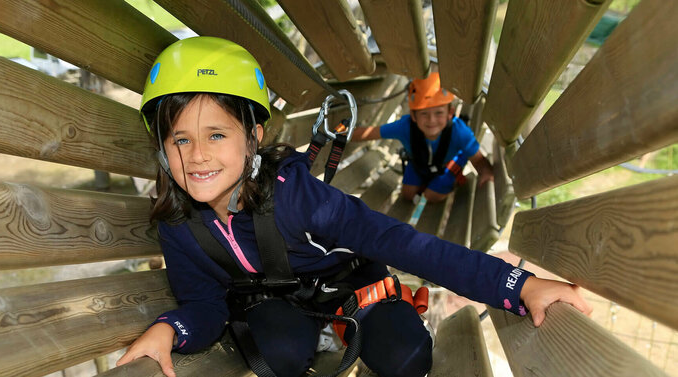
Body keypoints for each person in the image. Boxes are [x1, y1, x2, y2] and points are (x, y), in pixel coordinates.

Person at [115, 36, 592, 377]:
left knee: (406, 357)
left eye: (216, 135)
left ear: (253, 137)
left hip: (347, 286)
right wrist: (171, 329)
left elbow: (405, 244)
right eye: (180, 139)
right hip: (276, 302)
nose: (196, 155)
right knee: (279, 354)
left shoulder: (298, 197)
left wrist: (518, 286)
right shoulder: (179, 225)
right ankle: (318, 337)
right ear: (161, 147)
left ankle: (362, 322)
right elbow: (202, 302)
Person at [351, 73, 494, 203]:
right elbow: (369, 133)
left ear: (450, 113)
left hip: (448, 164)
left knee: (431, 196)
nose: (431, 120)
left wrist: (486, 173)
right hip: (419, 162)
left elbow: (479, 160)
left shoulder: (459, 131)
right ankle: (427, 183)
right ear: (413, 116)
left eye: (438, 113)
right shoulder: (405, 126)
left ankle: (446, 183)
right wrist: (341, 134)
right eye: (424, 114)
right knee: (408, 195)